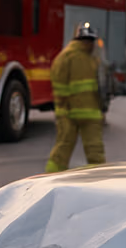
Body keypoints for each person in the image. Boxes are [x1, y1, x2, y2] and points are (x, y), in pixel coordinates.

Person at [45, 22, 107, 172]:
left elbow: (58, 84)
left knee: (62, 149)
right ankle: (98, 180)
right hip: (88, 113)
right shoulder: (92, 60)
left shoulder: (64, 57)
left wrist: (63, 106)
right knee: (95, 151)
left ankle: (52, 178)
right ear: (85, 41)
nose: (92, 45)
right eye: (90, 41)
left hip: (67, 112)